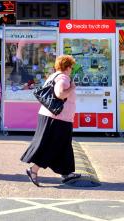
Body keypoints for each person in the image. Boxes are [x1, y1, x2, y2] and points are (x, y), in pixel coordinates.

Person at [21, 54, 81, 186]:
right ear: (67, 67)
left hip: (49, 115)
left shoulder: (53, 76)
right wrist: (72, 88)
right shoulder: (64, 79)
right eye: (71, 66)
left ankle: (67, 172)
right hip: (58, 118)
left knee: (63, 145)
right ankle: (34, 170)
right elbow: (60, 94)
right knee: (53, 145)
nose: (72, 69)